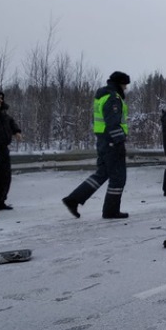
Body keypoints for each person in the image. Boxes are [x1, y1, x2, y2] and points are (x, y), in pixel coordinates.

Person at [62, 71, 131, 219]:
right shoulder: (113, 97)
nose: (125, 88)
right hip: (112, 141)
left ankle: (73, 199)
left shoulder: (102, 95)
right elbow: (112, 122)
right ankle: (110, 211)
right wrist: (119, 141)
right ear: (120, 83)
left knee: (102, 173)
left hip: (103, 140)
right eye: (125, 85)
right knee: (118, 177)